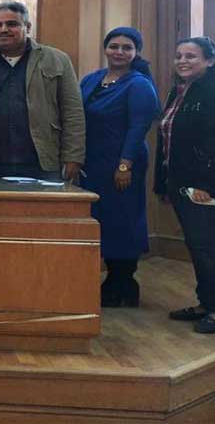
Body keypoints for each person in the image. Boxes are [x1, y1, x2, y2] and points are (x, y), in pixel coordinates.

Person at [155, 37, 215, 334]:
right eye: (179, 55)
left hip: (209, 186)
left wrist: (204, 186)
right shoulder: (180, 91)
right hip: (183, 184)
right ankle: (206, 303)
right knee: (197, 245)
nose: (182, 61)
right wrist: (165, 184)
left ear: (210, 61)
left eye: (191, 56)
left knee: (205, 245)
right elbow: (168, 142)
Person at [79, 27, 160, 308]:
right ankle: (112, 282)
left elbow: (139, 128)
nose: (119, 52)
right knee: (100, 218)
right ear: (106, 48)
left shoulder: (139, 84)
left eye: (127, 48)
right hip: (94, 163)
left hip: (123, 163)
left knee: (123, 220)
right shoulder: (92, 79)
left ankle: (123, 283)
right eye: (114, 46)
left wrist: (124, 165)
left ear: (136, 52)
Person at [0, 1, 85, 181]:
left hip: (43, 162)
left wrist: (73, 157)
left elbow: (73, 112)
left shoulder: (57, 60)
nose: (3, 30)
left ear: (27, 27)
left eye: (12, 24)